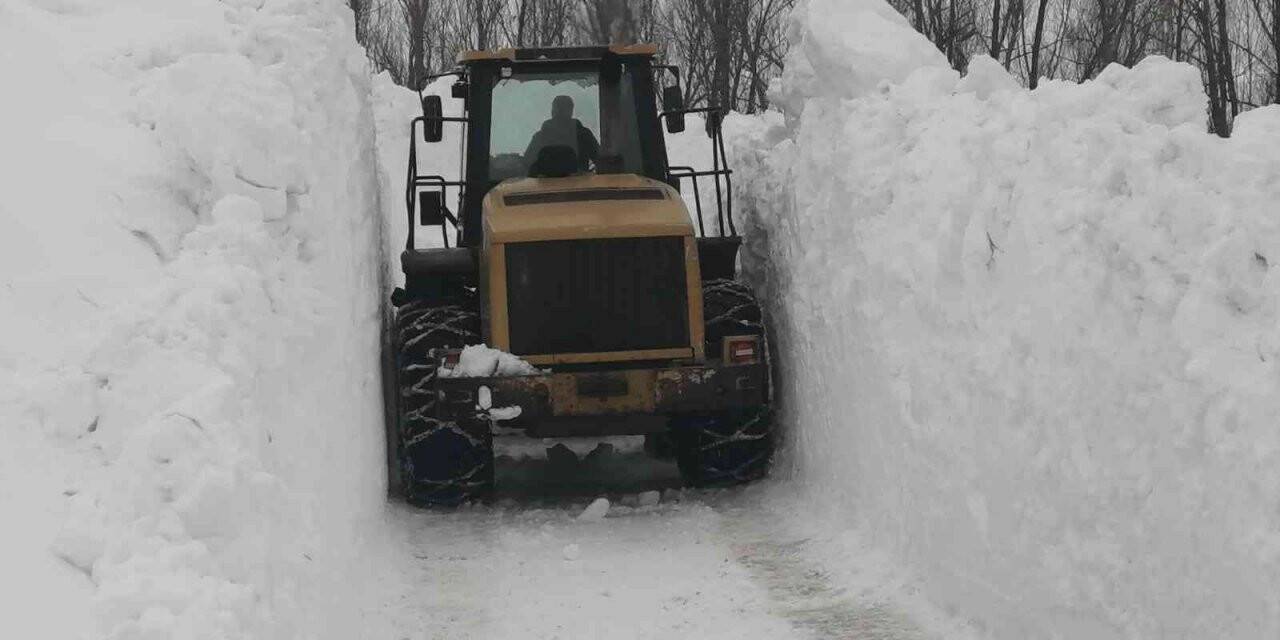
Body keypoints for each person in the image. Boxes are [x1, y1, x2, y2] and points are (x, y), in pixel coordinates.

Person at [523, 95, 600, 174]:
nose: (560, 111)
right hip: (579, 184)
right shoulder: (584, 134)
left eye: (562, 109)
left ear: (552, 111)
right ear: (571, 111)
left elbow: (526, 165)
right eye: (559, 108)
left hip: (546, 185)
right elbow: (601, 161)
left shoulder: (539, 137)